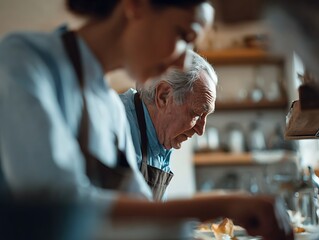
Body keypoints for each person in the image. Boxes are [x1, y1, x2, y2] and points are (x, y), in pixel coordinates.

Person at [0, 0, 293, 239]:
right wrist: (222, 204)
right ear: (136, 5)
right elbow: (59, 204)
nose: (180, 62)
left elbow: (141, 212)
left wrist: (227, 208)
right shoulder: (24, 59)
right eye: (182, 35)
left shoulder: (110, 108)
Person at [120, 50, 217, 201]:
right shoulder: (118, 125)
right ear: (163, 96)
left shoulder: (161, 137)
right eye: (197, 114)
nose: (201, 130)